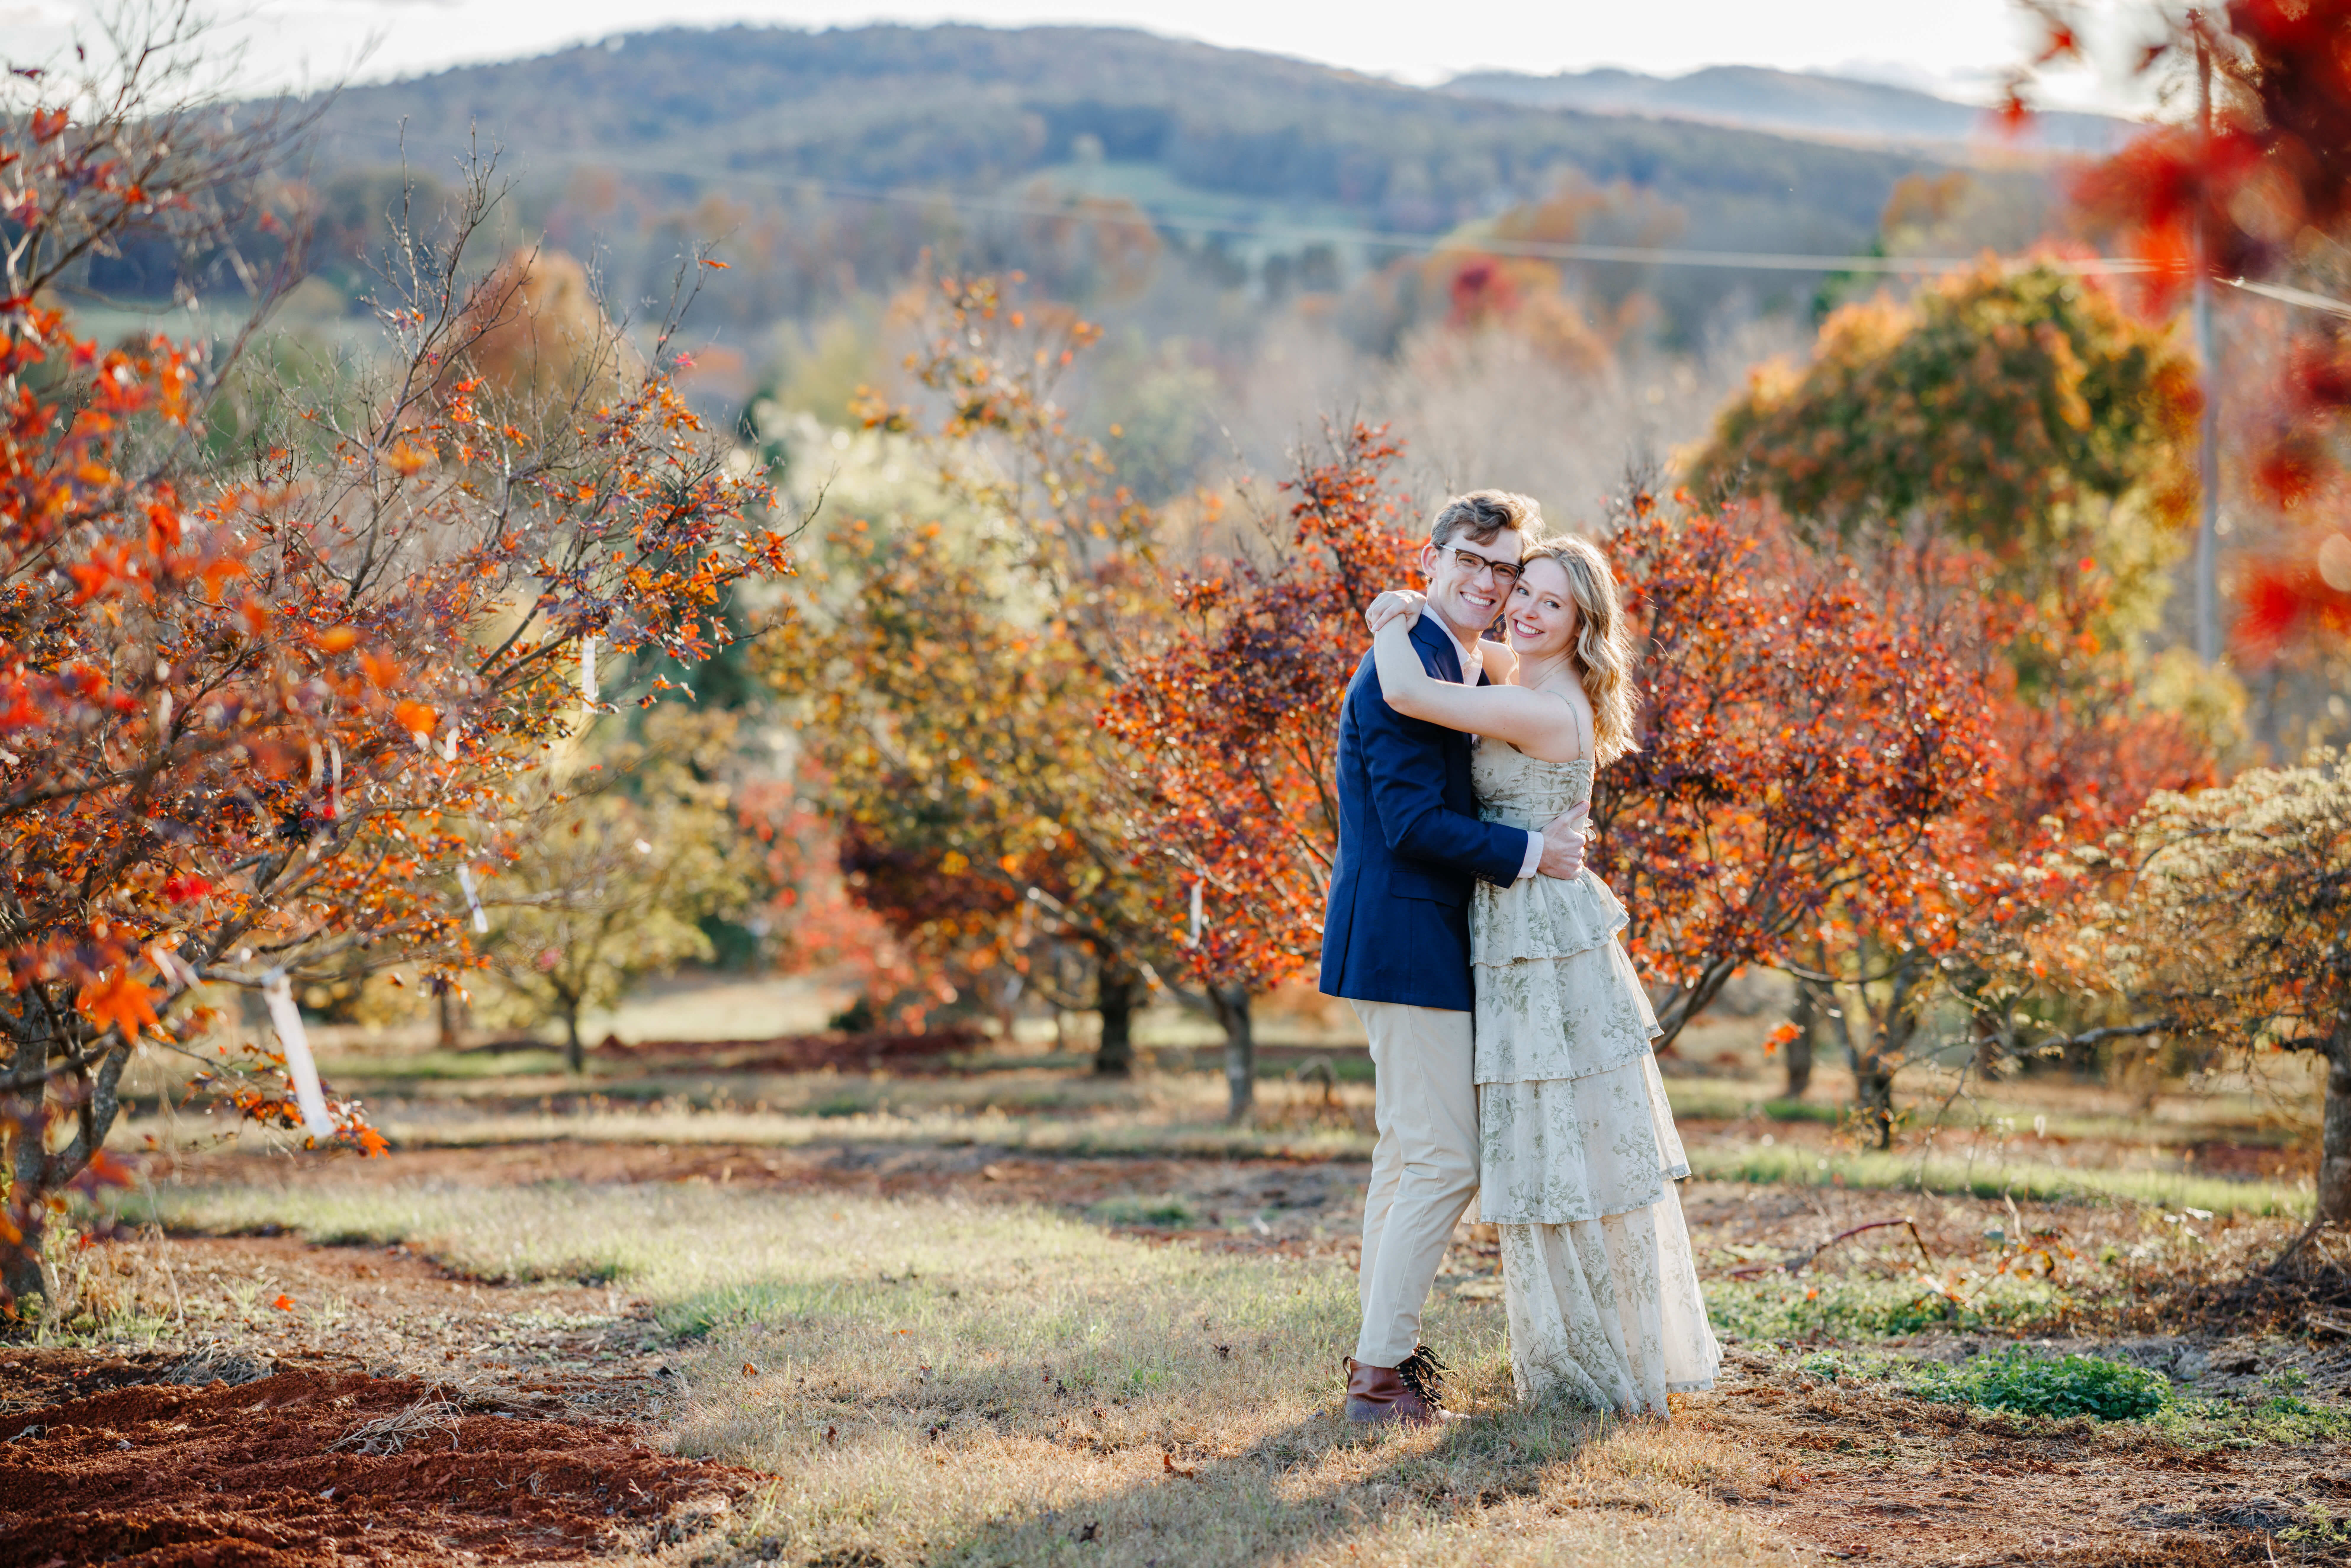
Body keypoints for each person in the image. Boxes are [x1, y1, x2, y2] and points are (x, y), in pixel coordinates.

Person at [1362, 532, 1719, 1416]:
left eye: (1548, 602)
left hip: (1539, 938)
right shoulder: (1521, 677)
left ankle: (1586, 1352)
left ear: (1581, 624)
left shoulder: (1549, 709)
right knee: (1540, 1141)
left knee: (1563, 1144)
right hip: (1510, 920)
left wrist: (1382, 619)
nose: (1521, 607)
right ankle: (1399, 1357)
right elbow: (1468, 636)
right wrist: (1439, 600)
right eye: (1521, 588)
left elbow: (1408, 687)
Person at [1318, 490, 1590, 1426]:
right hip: (1403, 934)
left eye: (1504, 568)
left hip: (1420, 934)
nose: (1487, 581)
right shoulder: (1404, 662)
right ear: (1431, 557)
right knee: (1444, 1161)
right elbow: (1409, 821)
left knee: (1407, 1157)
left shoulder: (1454, 656)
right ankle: (1379, 1377)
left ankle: (1381, 1355)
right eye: (1470, 560)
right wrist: (1530, 855)